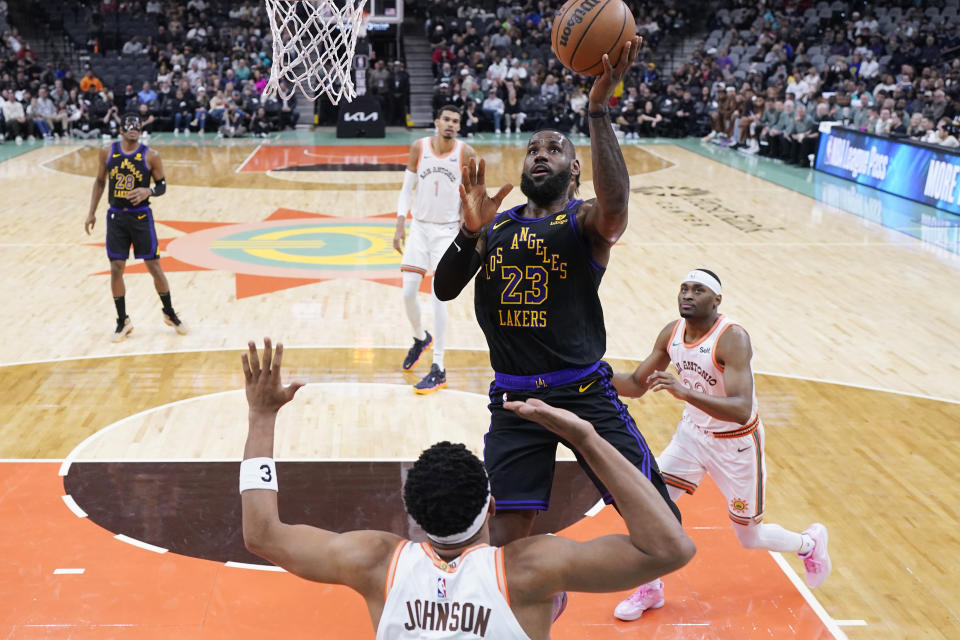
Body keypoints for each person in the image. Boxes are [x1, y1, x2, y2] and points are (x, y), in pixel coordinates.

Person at [239, 338, 695, 640]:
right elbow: (670, 549)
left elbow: (262, 533)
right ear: (492, 506)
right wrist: (588, 438)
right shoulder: (528, 569)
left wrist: (261, 418)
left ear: (413, 512)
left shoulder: (375, 563)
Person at [432, 37, 681, 547]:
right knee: (502, 536)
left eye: (554, 150)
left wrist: (597, 111)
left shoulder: (584, 220)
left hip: (584, 391)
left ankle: (588, 574)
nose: (540, 155)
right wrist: (470, 233)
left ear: (575, 173)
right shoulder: (495, 228)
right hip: (515, 396)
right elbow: (442, 288)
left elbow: (617, 206)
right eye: (532, 150)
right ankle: (543, 590)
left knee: (660, 521)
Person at [610, 269, 831, 621]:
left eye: (698, 290)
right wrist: (592, 374)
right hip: (691, 437)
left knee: (750, 536)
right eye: (683, 288)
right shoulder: (672, 333)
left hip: (736, 445)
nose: (687, 294)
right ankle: (650, 588)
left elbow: (741, 410)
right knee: (651, 507)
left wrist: (684, 391)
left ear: (716, 300)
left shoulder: (733, 339)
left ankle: (808, 544)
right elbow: (637, 384)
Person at [393, 104, 477, 394]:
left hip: (446, 231)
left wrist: (469, 235)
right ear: (437, 122)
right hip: (419, 228)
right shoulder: (419, 147)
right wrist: (399, 224)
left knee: (440, 297)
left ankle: (438, 366)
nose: (451, 124)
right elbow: (406, 189)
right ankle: (420, 338)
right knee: (407, 294)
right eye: (447, 119)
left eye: (456, 121)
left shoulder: (466, 153)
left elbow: (475, 196)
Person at [84, 113, 188, 341]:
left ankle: (169, 312)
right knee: (116, 267)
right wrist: (91, 212)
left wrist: (148, 191)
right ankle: (123, 321)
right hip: (116, 217)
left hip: (141, 216)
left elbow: (162, 186)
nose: (134, 128)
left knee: (154, 267)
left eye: (137, 125)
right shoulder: (107, 151)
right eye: (129, 124)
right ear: (121, 128)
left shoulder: (151, 156)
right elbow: (100, 181)